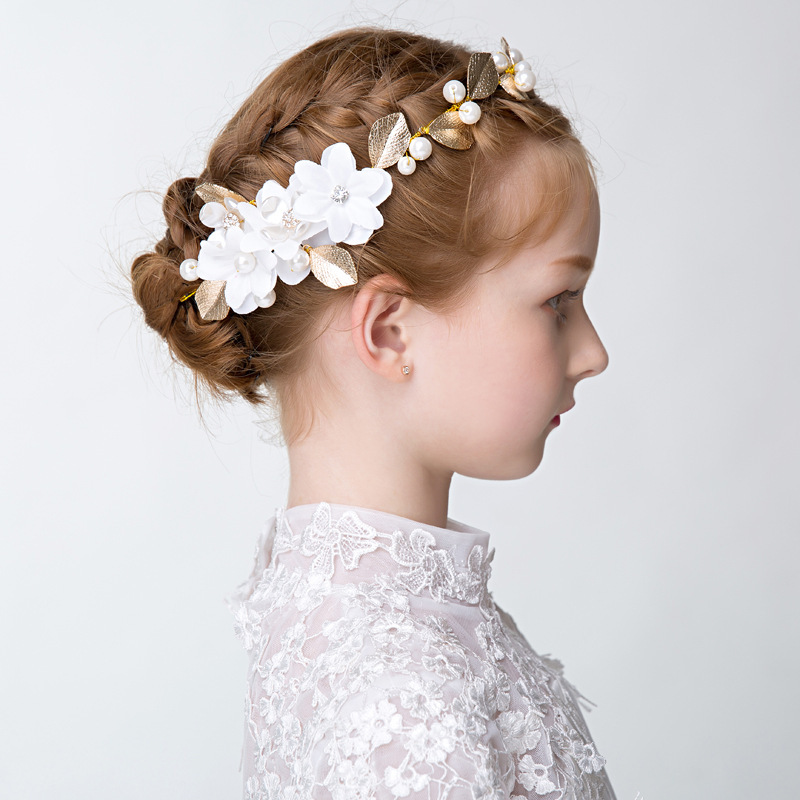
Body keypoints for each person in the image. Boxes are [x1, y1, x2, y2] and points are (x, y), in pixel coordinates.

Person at [130, 26, 614, 800]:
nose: (594, 353)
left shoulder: (356, 621)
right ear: (389, 331)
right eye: (558, 301)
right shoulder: (403, 698)